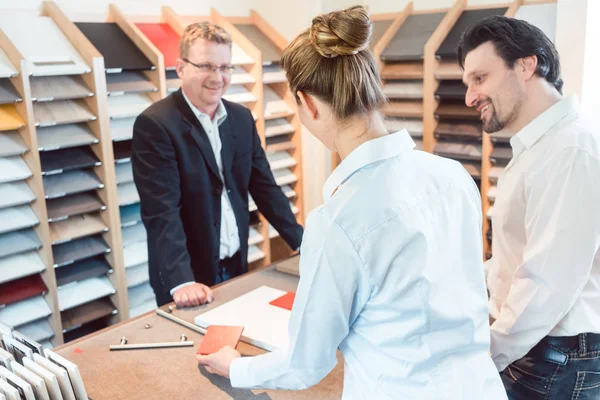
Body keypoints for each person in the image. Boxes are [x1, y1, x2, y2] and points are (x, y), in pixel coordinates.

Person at [197, 6, 507, 399]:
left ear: (308, 103)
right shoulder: (453, 176)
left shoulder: (339, 221)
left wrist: (235, 366)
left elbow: (306, 362)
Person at [458, 16, 600, 399]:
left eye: (479, 78)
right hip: (538, 348)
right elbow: (518, 256)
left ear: (525, 65)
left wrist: (487, 352)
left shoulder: (570, 149)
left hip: (556, 357)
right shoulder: (541, 147)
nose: (470, 97)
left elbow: (548, 280)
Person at [132, 22, 303, 308]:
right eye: (207, 66)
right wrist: (182, 280)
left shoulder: (240, 118)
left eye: (225, 67)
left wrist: (301, 242)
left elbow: (265, 188)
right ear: (181, 68)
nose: (218, 77)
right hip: (187, 275)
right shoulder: (156, 125)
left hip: (235, 263)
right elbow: (162, 212)